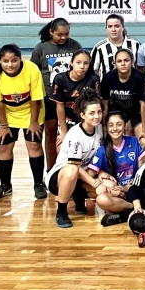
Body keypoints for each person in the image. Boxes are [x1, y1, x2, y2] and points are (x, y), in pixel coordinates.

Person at [0, 44, 47, 200]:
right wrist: (3, 126)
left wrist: (33, 123)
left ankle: (39, 184)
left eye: (14, 60)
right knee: (3, 146)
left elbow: (36, 99)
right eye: (5, 61)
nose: (10, 64)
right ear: (0, 61)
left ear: (20, 60)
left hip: (31, 112)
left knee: (34, 144)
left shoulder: (31, 69)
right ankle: (5, 186)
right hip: (8, 115)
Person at [45, 89, 103, 228]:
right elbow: (75, 167)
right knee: (72, 170)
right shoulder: (75, 134)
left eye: (99, 112)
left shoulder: (100, 129)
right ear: (82, 115)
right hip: (60, 177)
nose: (96, 116)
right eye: (92, 113)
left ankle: (78, 197)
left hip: (83, 175)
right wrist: (95, 183)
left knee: (109, 188)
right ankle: (61, 213)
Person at [31, 18, 82, 168]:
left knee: (76, 134)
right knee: (51, 134)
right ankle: (51, 169)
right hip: (49, 99)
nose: (64, 37)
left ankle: (74, 167)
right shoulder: (41, 49)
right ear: (51, 32)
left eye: (66, 34)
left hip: (72, 99)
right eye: (60, 34)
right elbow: (33, 74)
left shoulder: (75, 46)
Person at [90, 111, 145, 226]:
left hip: (134, 188)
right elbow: (89, 175)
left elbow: (142, 171)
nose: (115, 129)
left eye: (119, 124)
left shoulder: (133, 142)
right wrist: (100, 173)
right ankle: (134, 208)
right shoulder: (102, 150)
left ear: (125, 125)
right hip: (118, 194)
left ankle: (124, 215)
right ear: (106, 127)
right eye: (111, 125)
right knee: (102, 199)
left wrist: (129, 187)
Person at [100, 49, 145, 148]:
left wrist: (144, 130)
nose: (123, 64)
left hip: (135, 116)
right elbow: (105, 105)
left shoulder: (139, 77)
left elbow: (143, 105)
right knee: (109, 143)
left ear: (132, 61)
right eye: (119, 61)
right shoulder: (108, 78)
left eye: (126, 60)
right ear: (115, 63)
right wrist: (104, 126)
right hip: (114, 114)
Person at [50, 49, 101, 147]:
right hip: (67, 119)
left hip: (87, 119)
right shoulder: (60, 79)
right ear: (71, 63)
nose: (82, 66)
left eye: (86, 63)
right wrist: (64, 131)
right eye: (78, 62)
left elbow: (96, 104)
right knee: (61, 148)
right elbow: (59, 106)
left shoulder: (94, 79)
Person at [91, 14, 141, 79]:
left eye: (117, 26)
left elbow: (141, 66)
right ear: (106, 28)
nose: (113, 29)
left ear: (123, 27)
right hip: (108, 84)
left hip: (133, 83)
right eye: (110, 26)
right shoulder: (99, 48)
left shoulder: (135, 44)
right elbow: (94, 69)